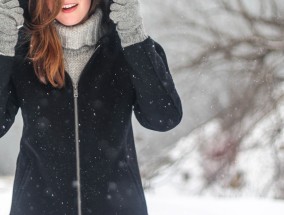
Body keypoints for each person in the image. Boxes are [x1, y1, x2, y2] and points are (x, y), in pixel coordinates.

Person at [0, 0, 183, 214]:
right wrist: (3, 40)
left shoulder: (128, 49)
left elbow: (164, 117)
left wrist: (132, 33)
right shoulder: (24, 54)